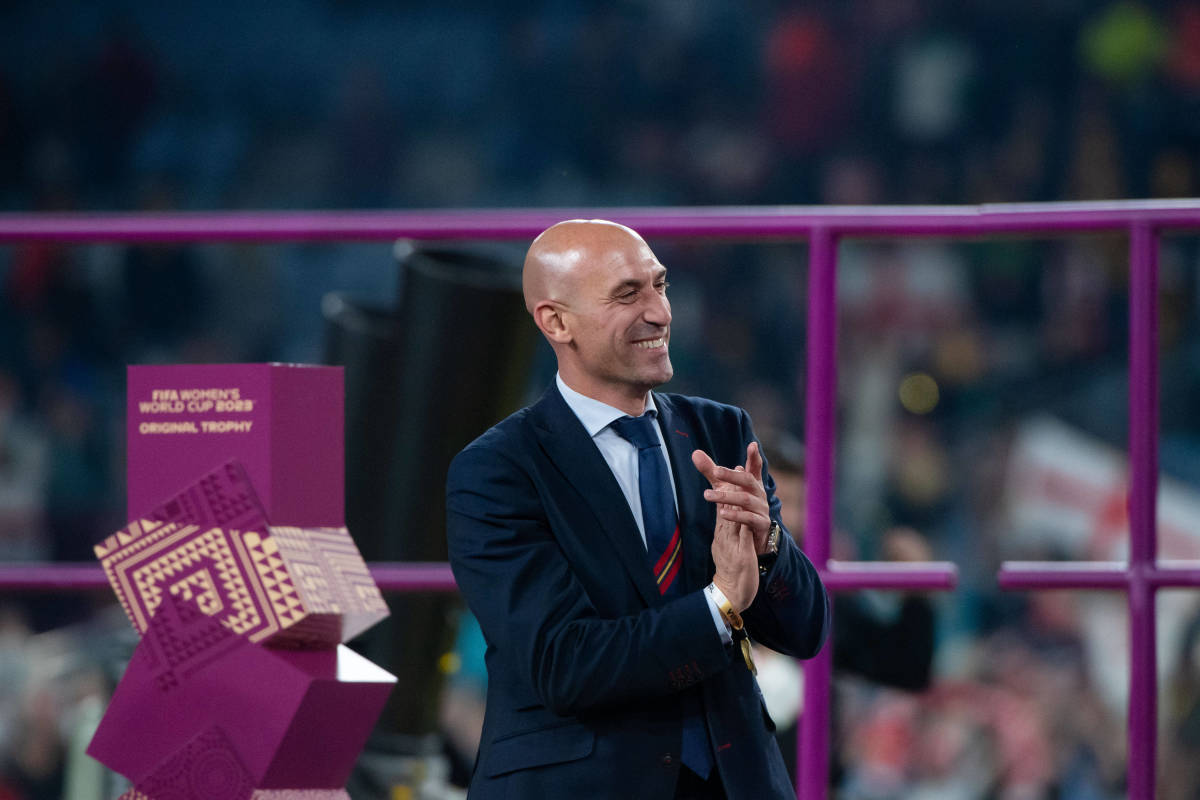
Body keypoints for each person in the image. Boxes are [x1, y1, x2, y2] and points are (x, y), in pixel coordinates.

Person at [445, 219, 830, 799]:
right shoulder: (497, 471)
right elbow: (564, 664)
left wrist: (770, 543)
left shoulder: (723, 431)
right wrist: (720, 604)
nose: (659, 312)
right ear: (556, 321)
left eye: (660, 285)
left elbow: (805, 630)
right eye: (628, 294)